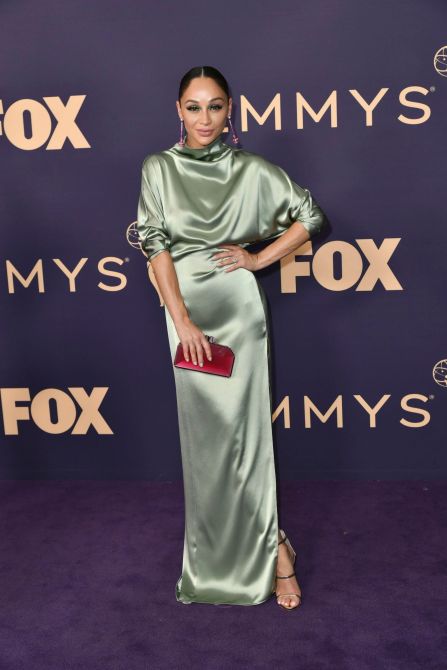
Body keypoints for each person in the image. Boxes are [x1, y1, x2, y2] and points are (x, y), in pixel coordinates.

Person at [136, 65, 329, 611]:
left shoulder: (250, 169)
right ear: (178, 110)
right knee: (207, 443)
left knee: (247, 438)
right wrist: (181, 320)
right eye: (194, 107)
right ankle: (219, 561)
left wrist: (258, 259)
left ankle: (277, 552)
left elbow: (310, 216)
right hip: (185, 312)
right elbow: (154, 243)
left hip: (238, 311)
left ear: (230, 111)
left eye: (215, 106)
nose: (205, 118)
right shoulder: (158, 168)